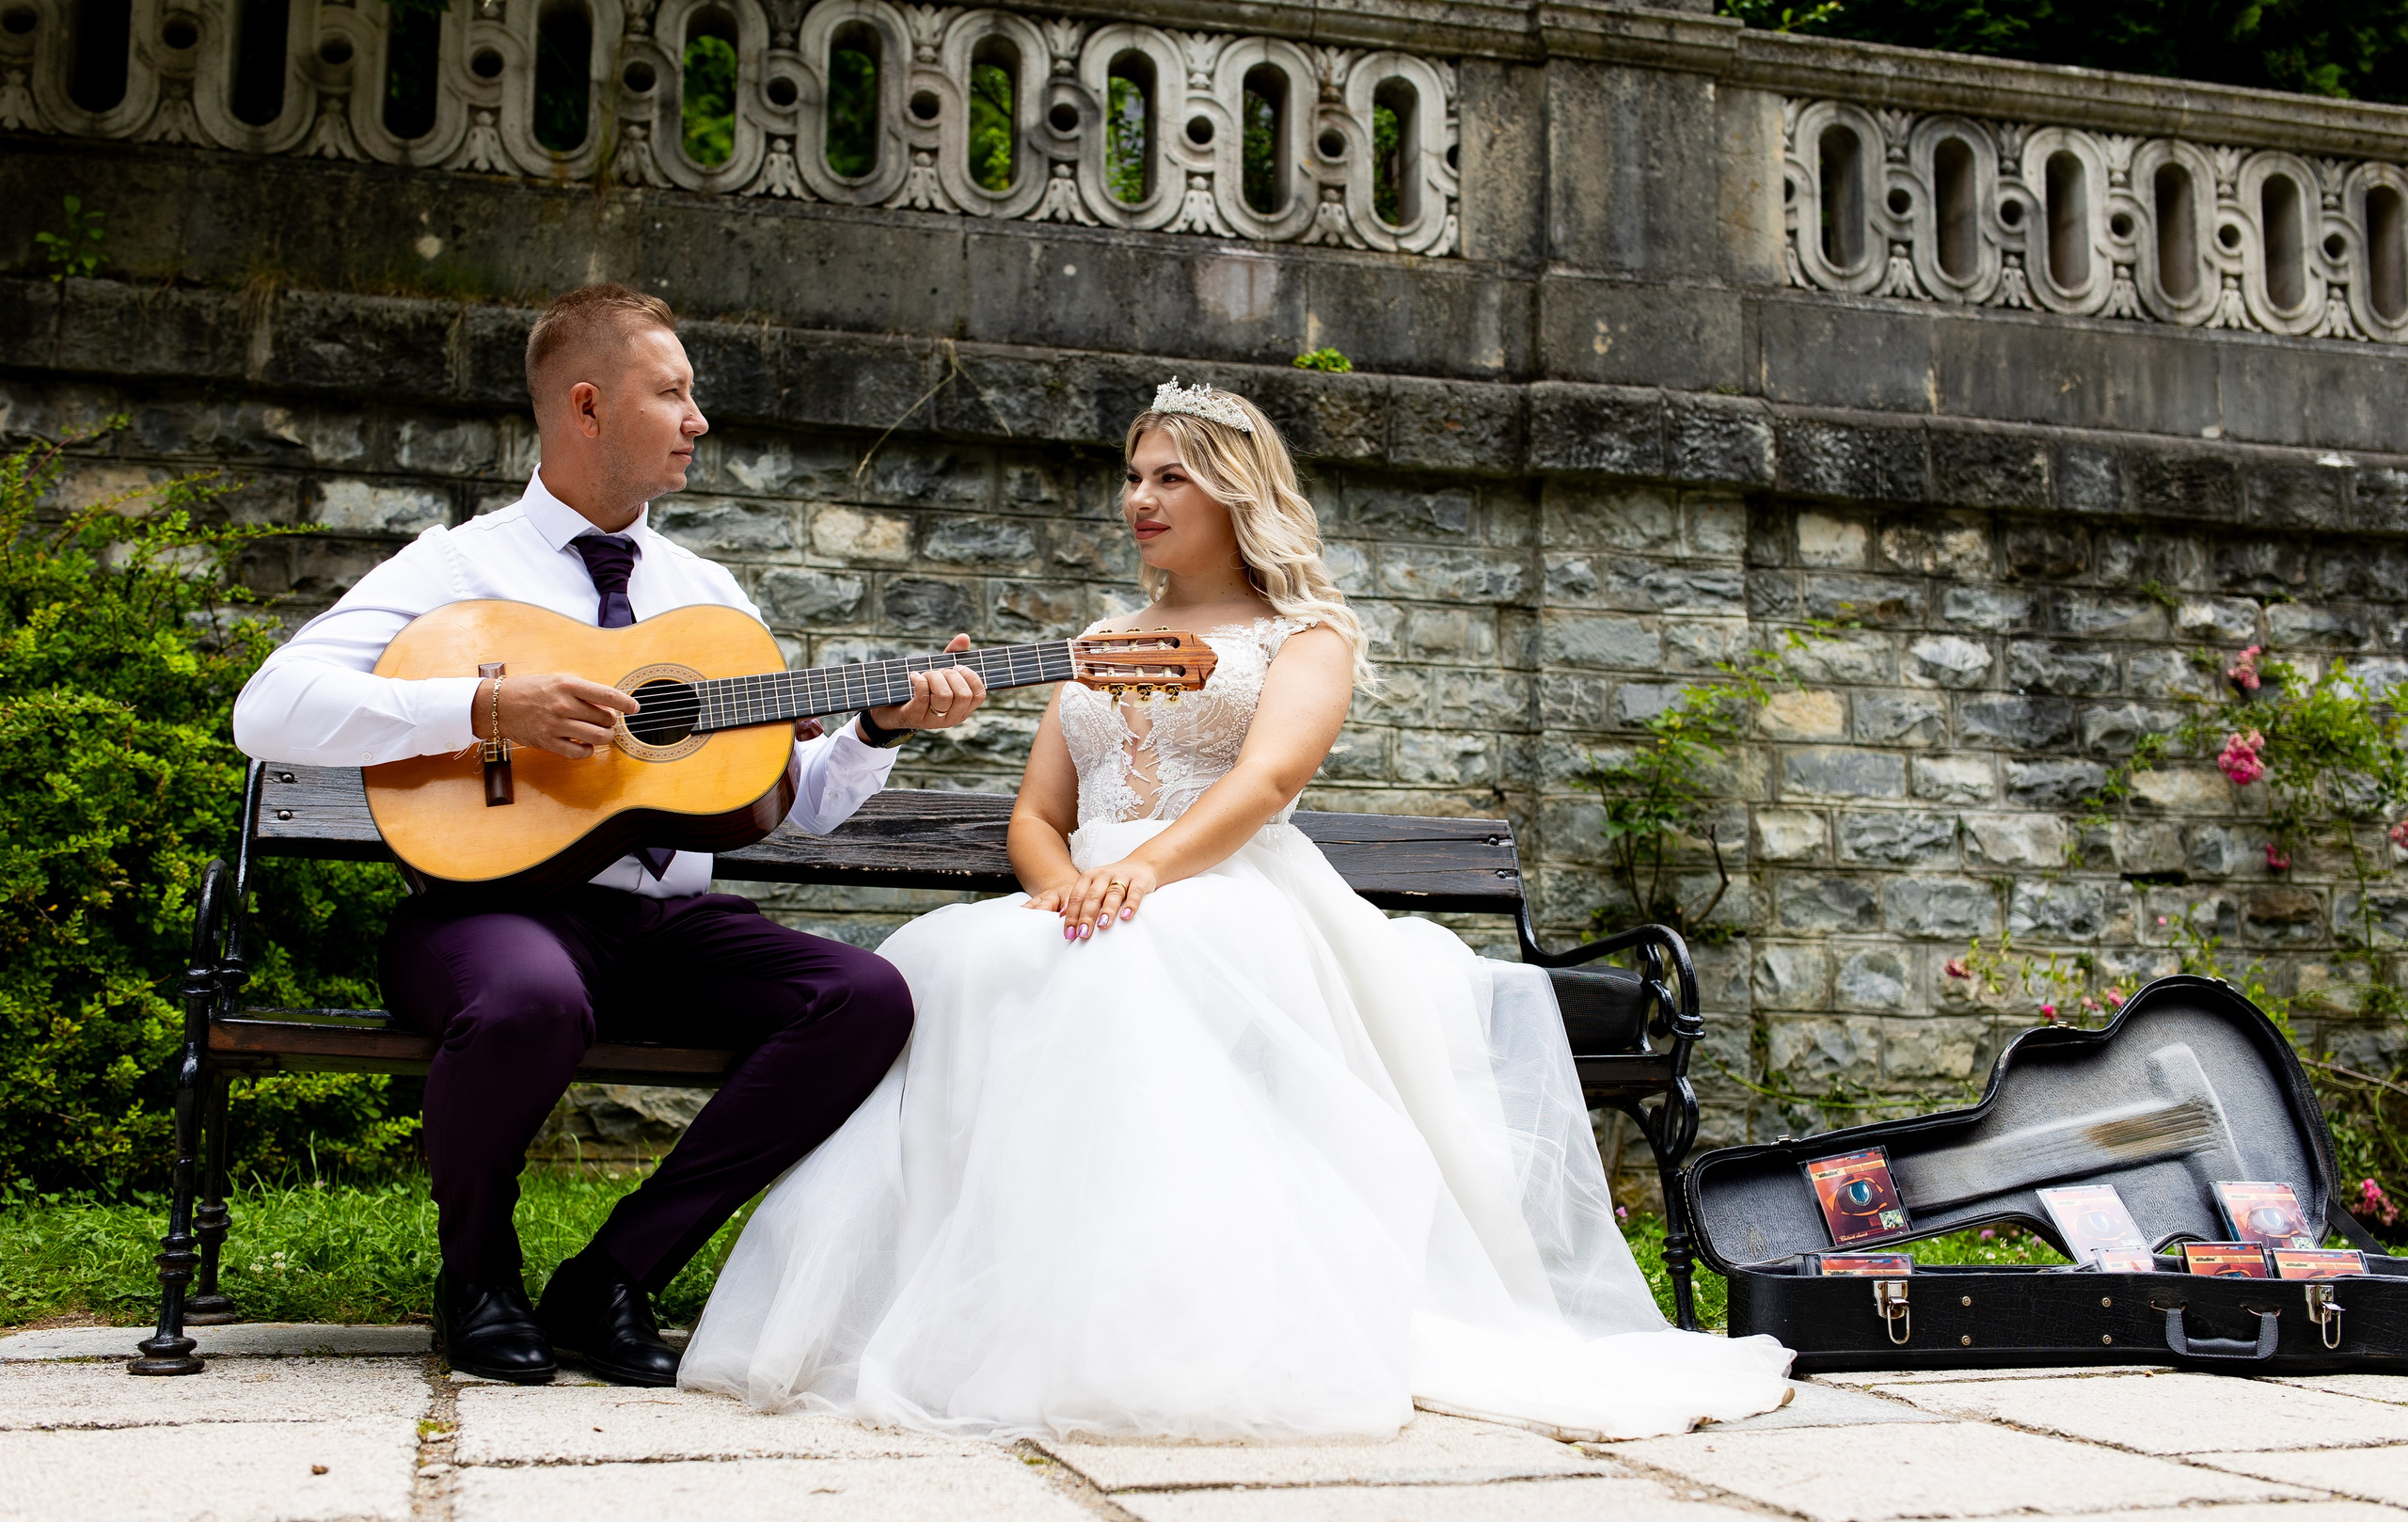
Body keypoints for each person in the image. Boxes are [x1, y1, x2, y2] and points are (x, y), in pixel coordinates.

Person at [680, 380, 1793, 1441]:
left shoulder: (1305, 634)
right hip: (1085, 893)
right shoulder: (1096, 640)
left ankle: (1166, 1329)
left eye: (1172, 477)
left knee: (1140, 959)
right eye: (1134, 476)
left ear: (1236, 491)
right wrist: (1059, 885)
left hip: (1221, 884)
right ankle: (972, 1316)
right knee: (953, 963)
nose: (1141, 498)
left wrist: (1143, 873)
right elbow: (1036, 812)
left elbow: (1264, 781)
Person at [231, 283, 988, 1387]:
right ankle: (477, 1278)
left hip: (663, 930)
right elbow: (268, 711)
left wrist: (877, 729)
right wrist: (486, 706)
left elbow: (790, 799)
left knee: (863, 997)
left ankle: (614, 1275)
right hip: (490, 917)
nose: (698, 418)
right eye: (671, 393)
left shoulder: (707, 598)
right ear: (587, 406)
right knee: (530, 996)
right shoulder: (455, 571)